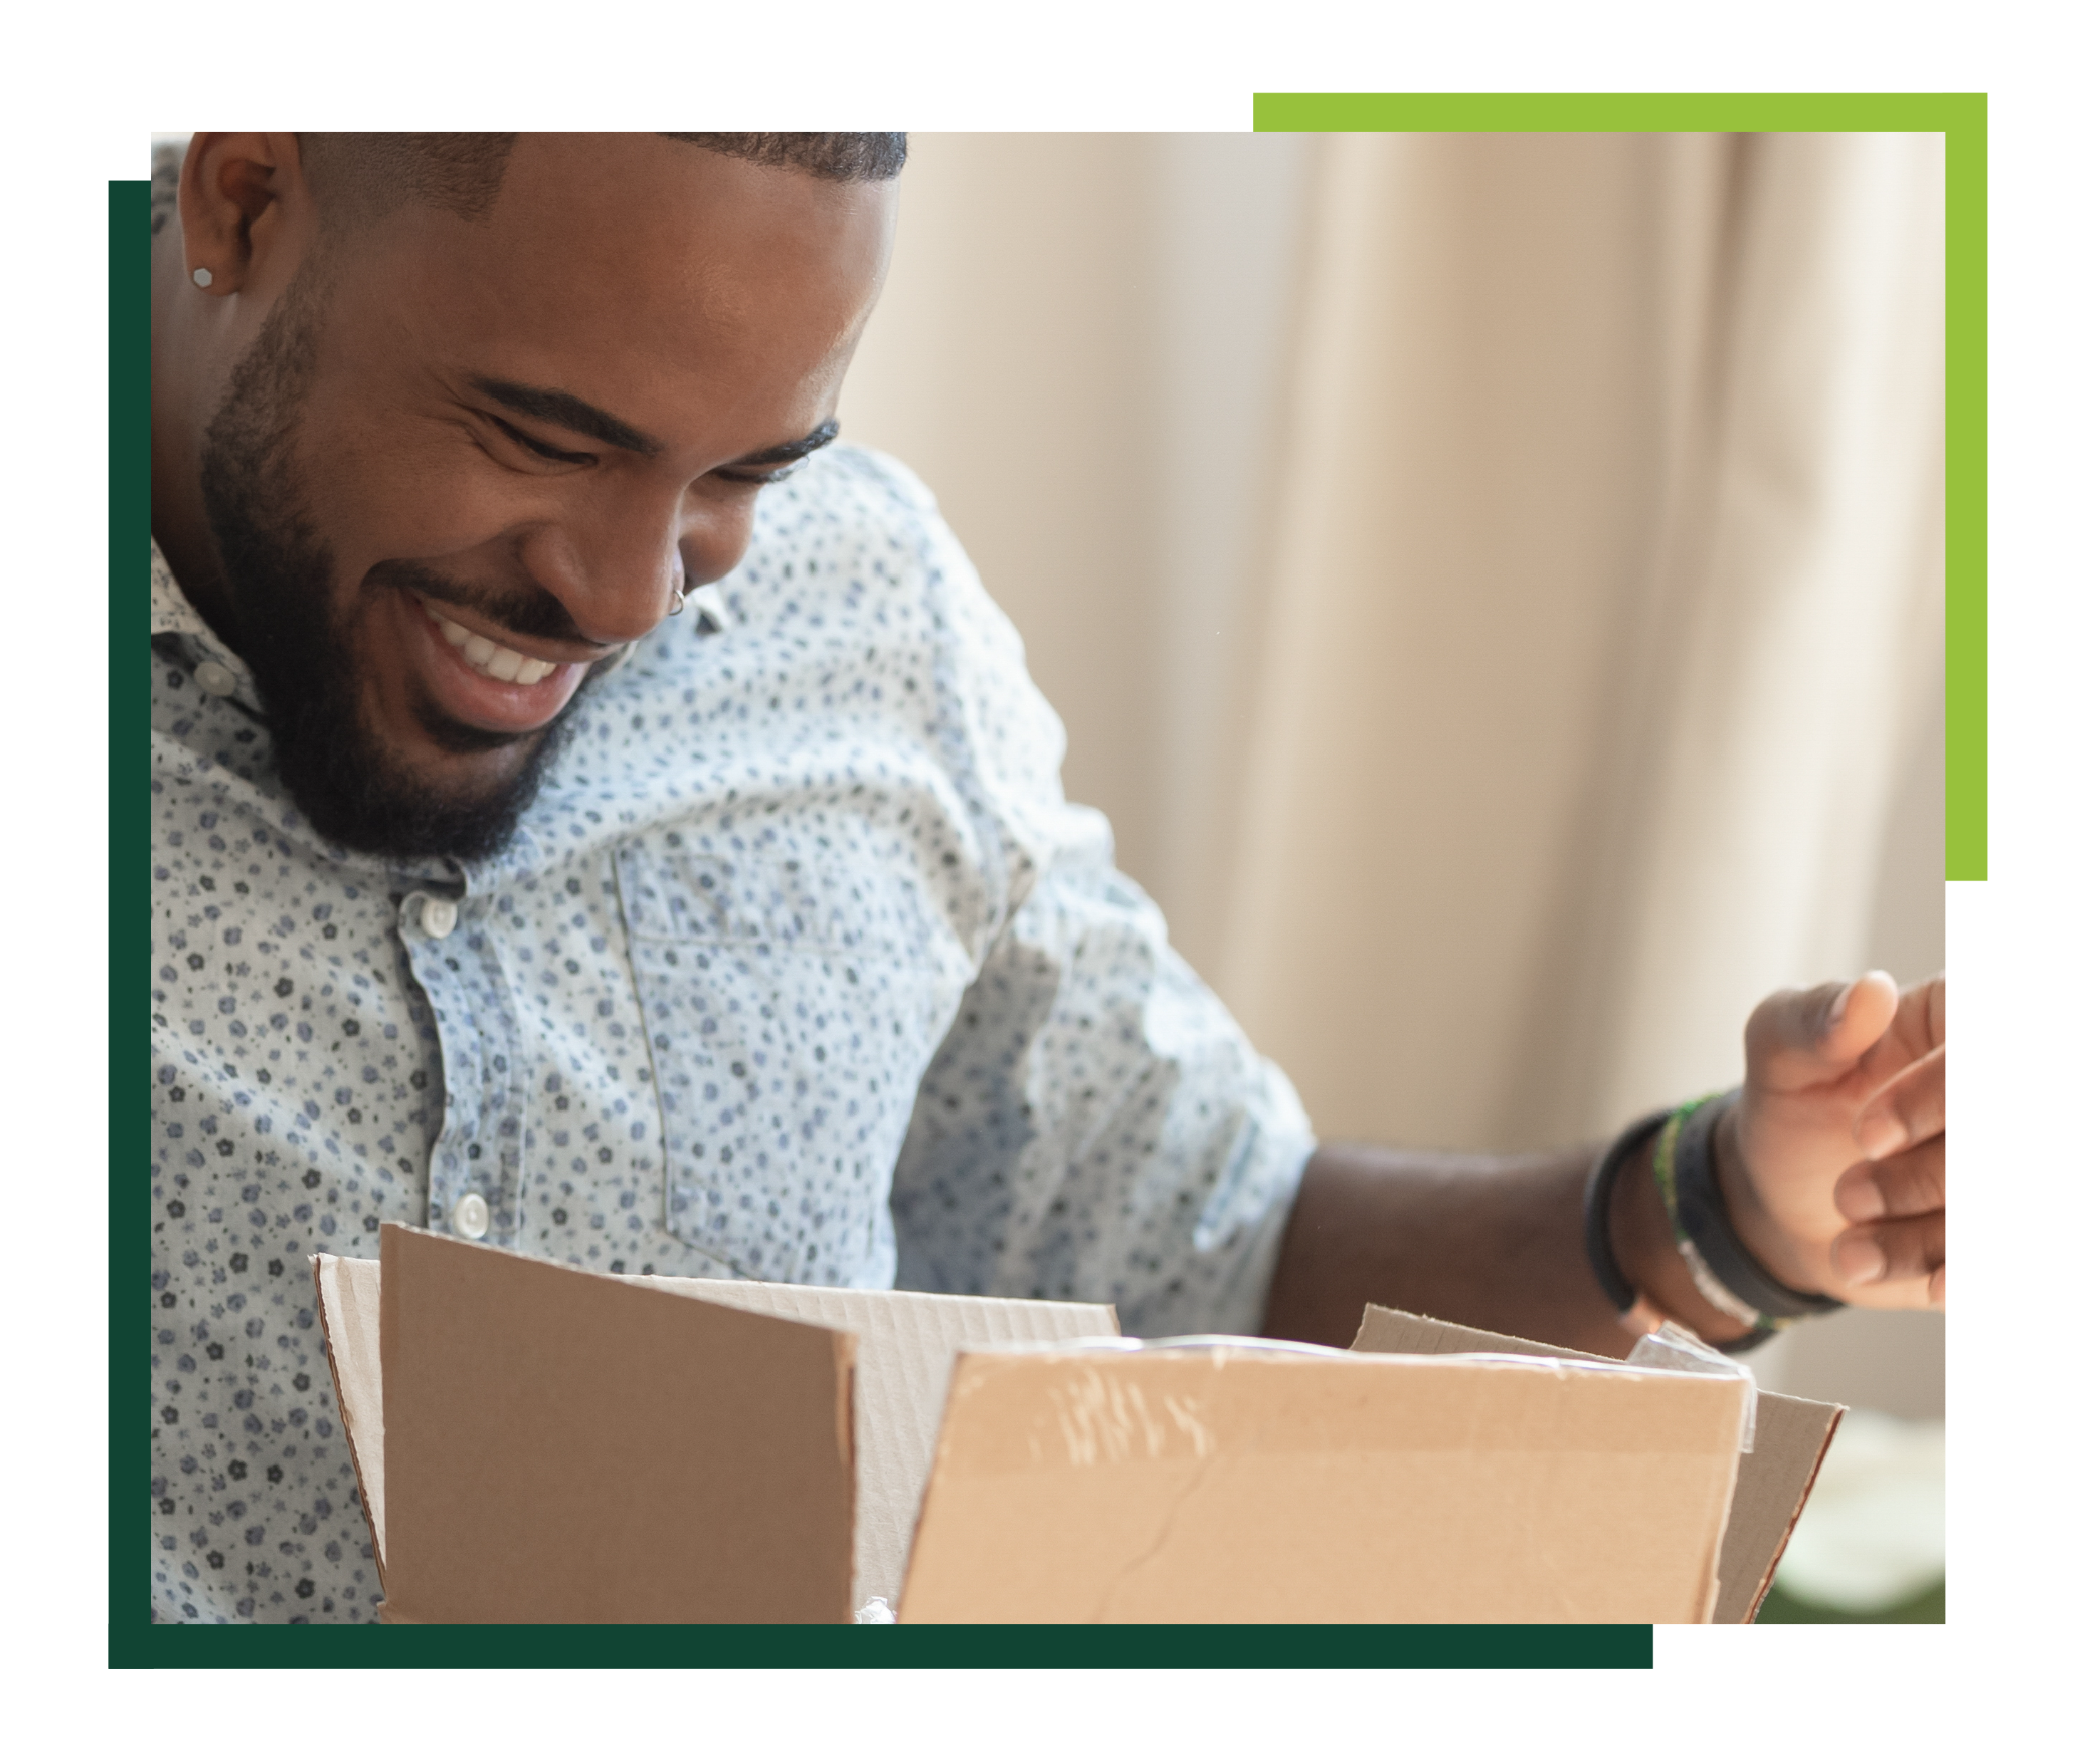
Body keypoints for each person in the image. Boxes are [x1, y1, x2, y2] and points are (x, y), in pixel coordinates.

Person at [148, 132, 1947, 1624]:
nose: (633, 598)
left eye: (746, 472)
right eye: (547, 435)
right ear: (244, 198)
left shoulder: (864, 614)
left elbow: (1206, 1252)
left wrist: (1719, 1205)